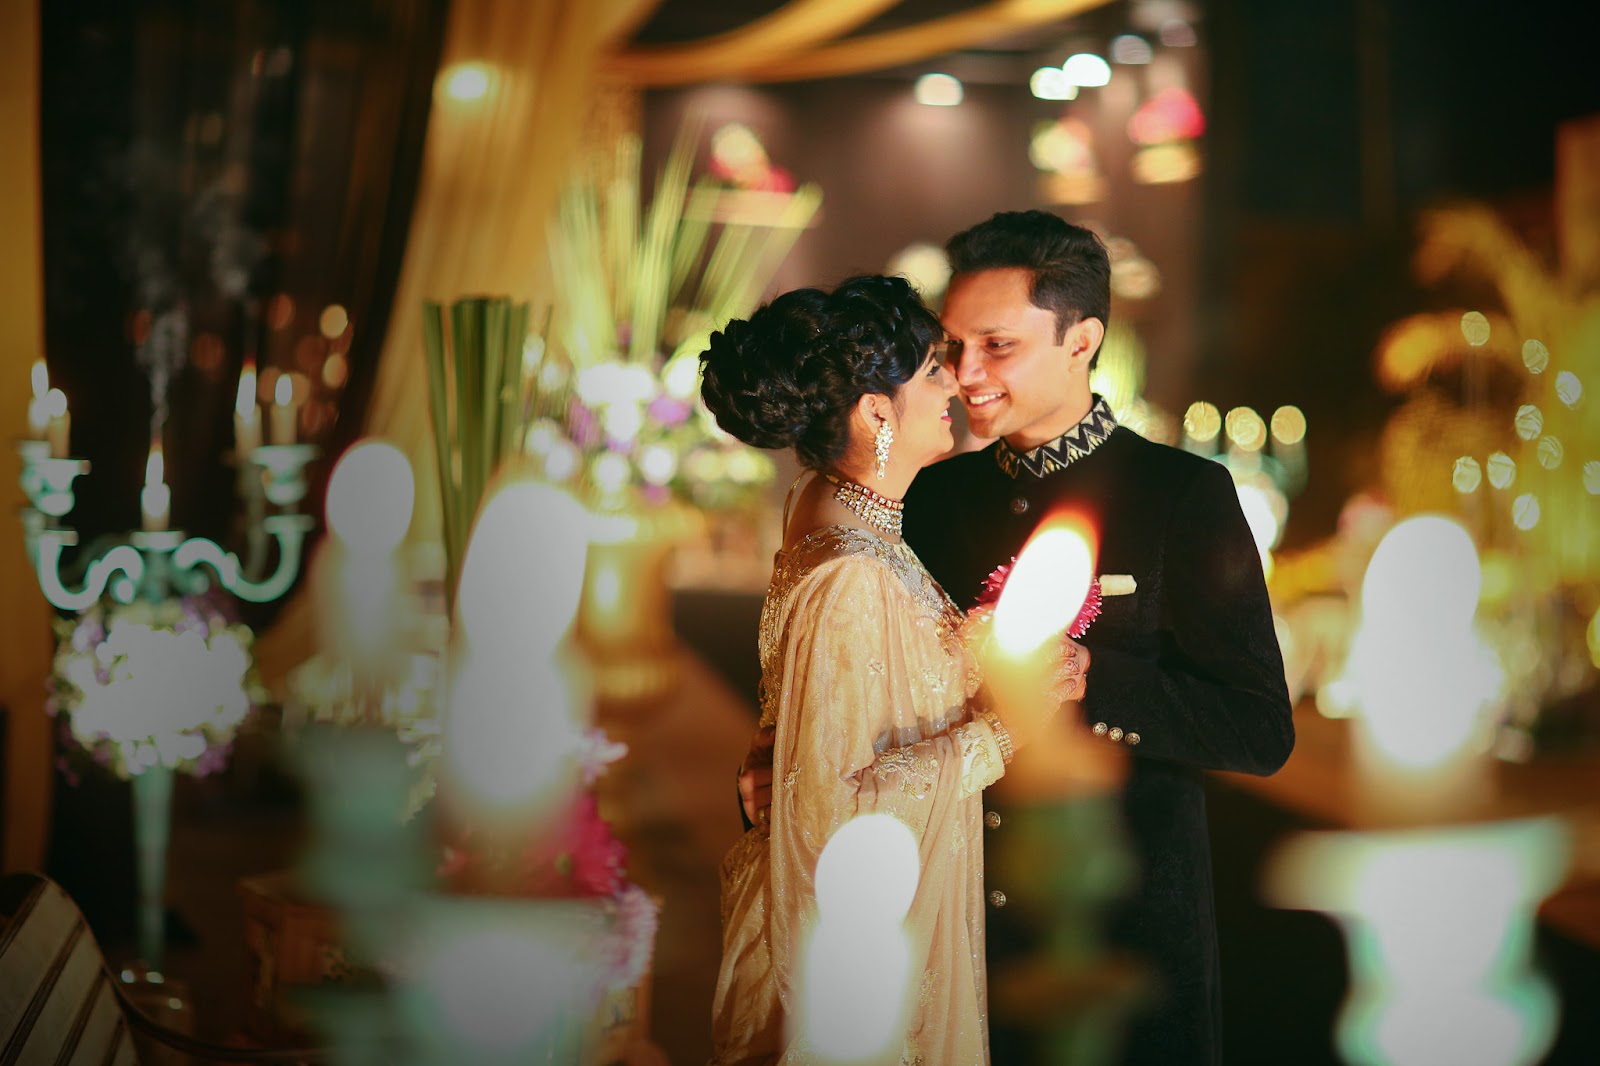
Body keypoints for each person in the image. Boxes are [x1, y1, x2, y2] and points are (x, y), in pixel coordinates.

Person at [904, 210, 1296, 1064]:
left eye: (998, 346)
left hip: (1127, 933)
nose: (966, 373)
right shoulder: (933, 498)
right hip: (960, 920)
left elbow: (1260, 730)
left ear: (1081, 340)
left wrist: (1091, 674)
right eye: (954, 346)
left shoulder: (1181, 495)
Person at [701, 275, 1081, 1066]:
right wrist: (1003, 732)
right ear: (877, 412)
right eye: (934, 370)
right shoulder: (851, 570)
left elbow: (854, 697)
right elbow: (837, 815)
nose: (956, 385)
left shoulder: (830, 504)